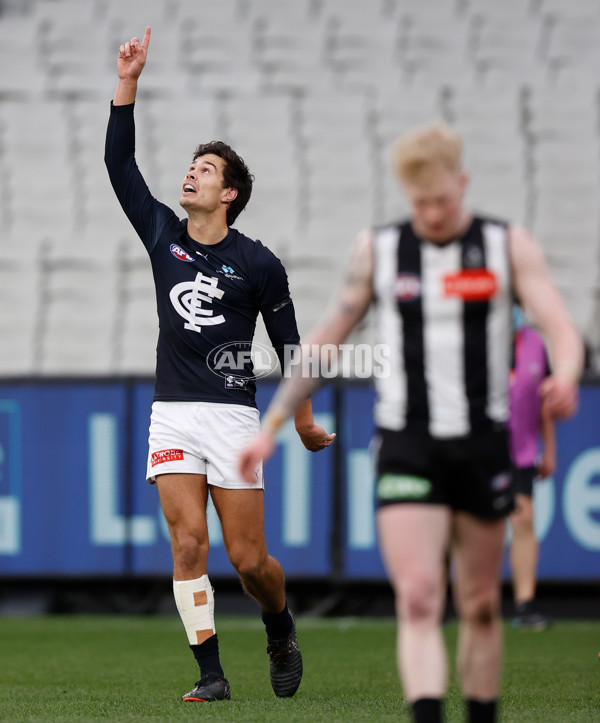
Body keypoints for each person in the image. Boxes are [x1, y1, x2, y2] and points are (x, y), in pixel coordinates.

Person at [239, 121, 583, 722]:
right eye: (418, 203)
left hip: (481, 444)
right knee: (420, 598)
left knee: (477, 603)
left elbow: (557, 321)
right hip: (407, 444)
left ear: (463, 185)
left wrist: (569, 373)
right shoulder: (380, 250)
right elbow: (325, 340)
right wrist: (270, 425)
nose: (430, 214)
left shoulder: (508, 246)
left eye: (441, 201)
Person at [105, 27, 335, 703]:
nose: (191, 173)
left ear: (229, 193)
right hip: (174, 410)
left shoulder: (258, 262)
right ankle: (210, 673)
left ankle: (279, 625)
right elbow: (122, 167)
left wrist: (305, 420)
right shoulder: (163, 235)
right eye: (192, 165)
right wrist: (128, 83)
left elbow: (292, 347)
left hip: (234, 417)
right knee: (187, 547)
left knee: (249, 561)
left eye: (205, 169)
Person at [508, 307, 556, 631]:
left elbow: (544, 402)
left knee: (524, 519)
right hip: (476, 449)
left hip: (520, 451)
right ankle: (441, 603)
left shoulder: (536, 344)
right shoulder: (474, 340)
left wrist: (549, 449)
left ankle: (525, 604)